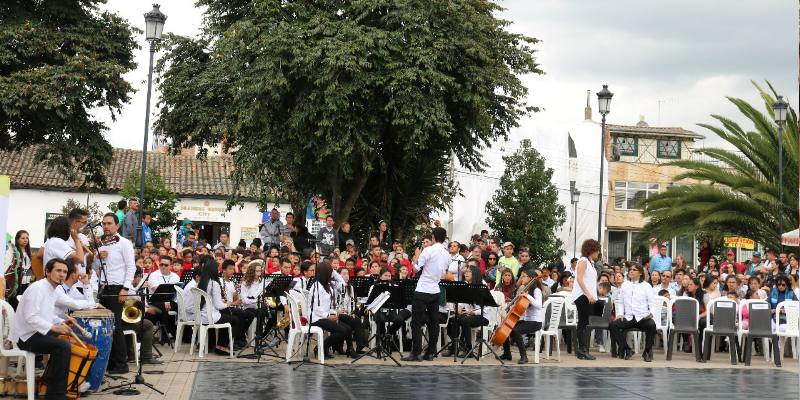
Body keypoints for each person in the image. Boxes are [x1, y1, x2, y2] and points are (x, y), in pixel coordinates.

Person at [11, 258, 79, 400]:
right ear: (47, 272)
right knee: (63, 346)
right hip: (26, 336)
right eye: (58, 271)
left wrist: (62, 321)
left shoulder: (53, 289)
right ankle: (55, 395)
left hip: (36, 332)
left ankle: (55, 386)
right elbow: (31, 318)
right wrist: (55, 328)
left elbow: (47, 315)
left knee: (70, 342)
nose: (62, 274)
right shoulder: (38, 288)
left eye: (65, 272)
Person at [91, 213, 136, 374]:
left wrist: (125, 288)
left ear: (117, 226)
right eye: (104, 223)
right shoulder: (101, 243)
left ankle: (122, 364)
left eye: (109, 223)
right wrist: (97, 257)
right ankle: (109, 362)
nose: (106, 226)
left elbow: (131, 266)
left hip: (117, 288)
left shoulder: (124, 243)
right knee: (106, 326)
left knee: (116, 325)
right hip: (102, 287)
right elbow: (95, 268)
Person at [402, 227, 450, 362]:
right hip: (435, 290)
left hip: (423, 289)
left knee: (416, 322)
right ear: (444, 239)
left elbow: (416, 268)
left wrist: (417, 255)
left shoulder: (428, 250)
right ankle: (430, 353)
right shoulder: (447, 254)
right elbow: (443, 273)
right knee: (433, 323)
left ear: (433, 237)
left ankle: (416, 353)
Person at [610, 264, 658, 362]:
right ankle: (627, 349)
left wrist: (651, 314)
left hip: (642, 317)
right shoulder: (625, 285)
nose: (631, 271)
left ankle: (647, 351)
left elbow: (653, 304)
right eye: (630, 269)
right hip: (628, 317)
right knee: (613, 325)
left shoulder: (646, 286)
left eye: (634, 270)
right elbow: (621, 302)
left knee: (652, 325)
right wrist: (620, 314)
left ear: (640, 273)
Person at [442, 264, 491, 358]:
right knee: (454, 319)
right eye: (466, 271)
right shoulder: (466, 284)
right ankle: (454, 346)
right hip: (470, 315)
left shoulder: (482, 286)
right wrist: (459, 307)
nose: (466, 273)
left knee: (465, 321)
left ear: (475, 274)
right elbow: (463, 300)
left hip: (483, 316)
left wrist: (474, 312)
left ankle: (468, 349)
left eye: (469, 271)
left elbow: (487, 307)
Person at [306, 260, 351, 359]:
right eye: (331, 271)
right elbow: (316, 307)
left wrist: (333, 314)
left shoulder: (328, 285)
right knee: (341, 331)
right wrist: (328, 316)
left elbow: (342, 283)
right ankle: (322, 347)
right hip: (316, 318)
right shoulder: (317, 286)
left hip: (325, 315)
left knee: (347, 329)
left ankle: (324, 347)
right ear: (325, 273)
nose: (333, 273)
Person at [498, 269, 543, 364]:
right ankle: (507, 353)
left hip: (535, 322)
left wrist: (528, 296)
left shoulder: (536, 290)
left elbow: (539, 305)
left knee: (516, 330)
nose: (522, 278)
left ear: (530, 278)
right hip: (528, 320)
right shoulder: (527, 289)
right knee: (507, 326)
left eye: (524, 276)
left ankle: (524, 356)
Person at [197, 259, 240, 355]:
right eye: (217, 268)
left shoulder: (203, 282)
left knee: (227, 318)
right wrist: (228, 304)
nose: (219, 270)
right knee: (235, 320)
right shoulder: (214, 283)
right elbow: (218, 305)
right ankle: (223, 346)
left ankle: (219, 346)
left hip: (202, 315)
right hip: (211, 316)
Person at [123, 267, 163, 365]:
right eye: (138, 277)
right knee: (148, 324)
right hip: (123, 320)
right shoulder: (130, 289)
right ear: (135, 277)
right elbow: (131, 304)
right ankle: (146, 356)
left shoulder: (124, 286)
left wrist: (144, 305)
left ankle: (131, 353)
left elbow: (134, 302)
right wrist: (146, 309)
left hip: (123, 318)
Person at [572, 239, 600, 360]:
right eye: (597, 251)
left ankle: (582, 350)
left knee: (584, 321)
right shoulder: (583, 261)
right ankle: (582, 350)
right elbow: (579, 279)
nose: (598, 253)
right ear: (592, 250)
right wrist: (588, 294)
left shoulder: (590, 263)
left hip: (588, 296)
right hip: (583, 296)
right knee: (583, 321)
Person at [220, 260, 253, 346]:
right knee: (241, 314)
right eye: (230, 269)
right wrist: (235, 303)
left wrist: (237, 291)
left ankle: (239, 335)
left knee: (250, 314)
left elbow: (236, 299)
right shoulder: (220, 282)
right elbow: (221, 300)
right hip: (224, 307)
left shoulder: (231, 283)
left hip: (232, 306)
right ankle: (234, 339)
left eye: (233, 269)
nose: (232, 271)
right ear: (224, 270)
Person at [5, 230, 33, 305]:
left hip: (26, 281)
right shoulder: (14, 251)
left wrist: (29, 277)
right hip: (16, 281)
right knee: (15, 302)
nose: (25, 240)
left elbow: (30, 267)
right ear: (17, 239)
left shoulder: (29, 252)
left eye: (27, 238)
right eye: (23, 238)